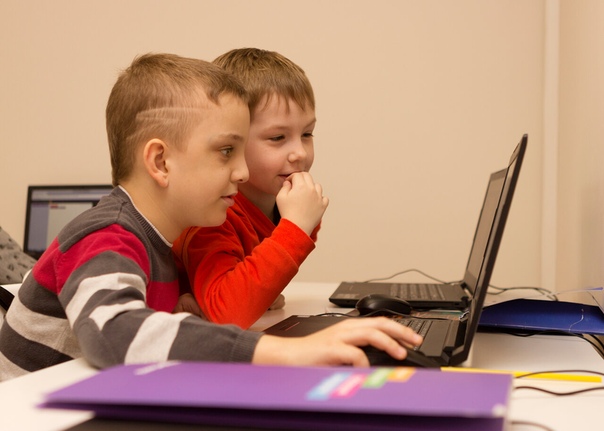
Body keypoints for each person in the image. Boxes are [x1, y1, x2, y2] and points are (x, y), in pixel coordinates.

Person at [0, 53, 422, 381]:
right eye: (226, 151)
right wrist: (283, 351)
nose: (241, 172)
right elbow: (115, 333)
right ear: (160, 162)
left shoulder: (157, 239)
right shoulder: (106, 236)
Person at [173, 48, 327, 329]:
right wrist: (295, 228)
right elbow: (227, 316)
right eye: (277, 137)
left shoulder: (284, 205)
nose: (300, 153)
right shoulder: (212, 216)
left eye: (307, 134)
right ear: (230, 143)